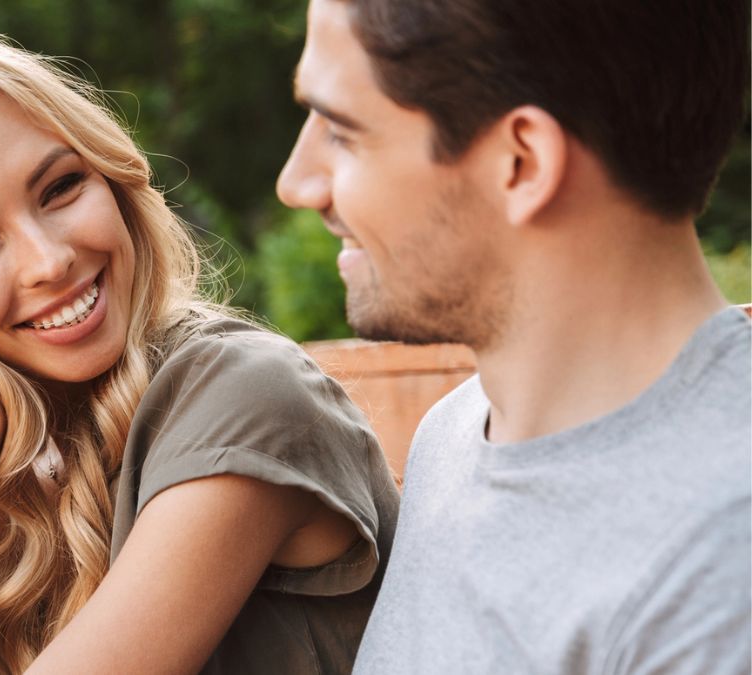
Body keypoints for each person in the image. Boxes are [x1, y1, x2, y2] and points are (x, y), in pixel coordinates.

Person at [0, 19, 398, 675]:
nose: (49, 260)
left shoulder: (244, 394)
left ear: (109, 176)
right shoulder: (22, 462)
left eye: (60, 188)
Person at [276, 0, 751, 672]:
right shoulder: (456, 434)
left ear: (522, 162)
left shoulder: (720, 569)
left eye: (342, 131)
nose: (296, 183)